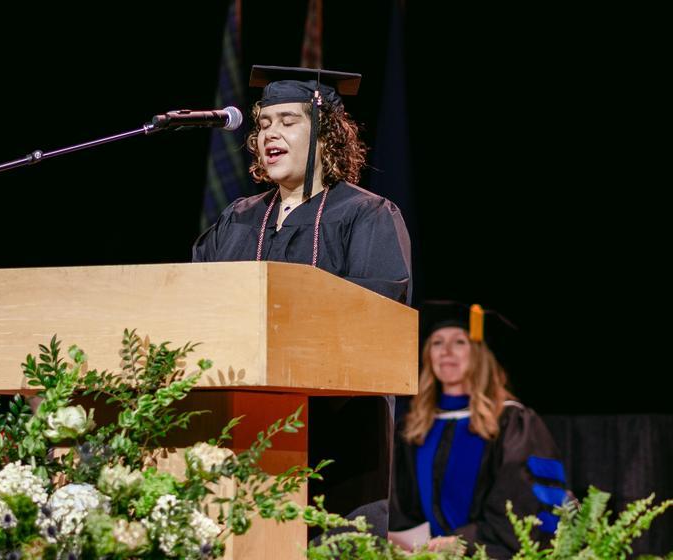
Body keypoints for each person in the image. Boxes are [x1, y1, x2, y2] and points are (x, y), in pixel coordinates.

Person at [193, 65, 413, 536]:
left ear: (325, 135)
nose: (270, 133)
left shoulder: (366, 215)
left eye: (288, 121)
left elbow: (376, 320)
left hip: (339, 437)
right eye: (264, 124)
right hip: (237, 429)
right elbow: (195, 303)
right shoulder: (238, 219)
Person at [389, 302, 567, 558]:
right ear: (428, 354)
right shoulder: (413, 426)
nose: (446, 351)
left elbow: (523, 503)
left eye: (459, 342)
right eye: (437, 342)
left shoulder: (511, 421)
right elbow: (400, 504)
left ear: (478, 353)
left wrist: (463, 542)